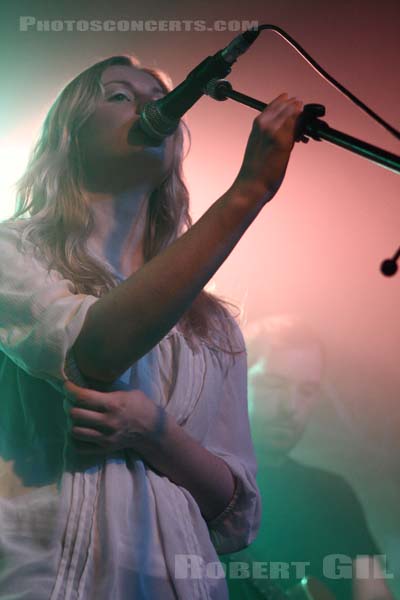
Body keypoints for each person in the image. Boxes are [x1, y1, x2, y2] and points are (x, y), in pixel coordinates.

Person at [0, 54, 304, 599]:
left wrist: (154, 432)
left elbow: (237, 514)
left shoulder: (212, 325)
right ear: (68, 133)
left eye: (160, 94)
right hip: (42, 579)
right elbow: (90, 351)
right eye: (118, 94)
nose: (150, 106)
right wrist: (247, 192)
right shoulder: (11, 251)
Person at [223, 315, 394, 600]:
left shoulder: (334, 492)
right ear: (234, 379)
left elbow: (375, 594)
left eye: (307, 391)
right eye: (274, 383)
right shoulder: (199, 480)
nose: (291, 407)